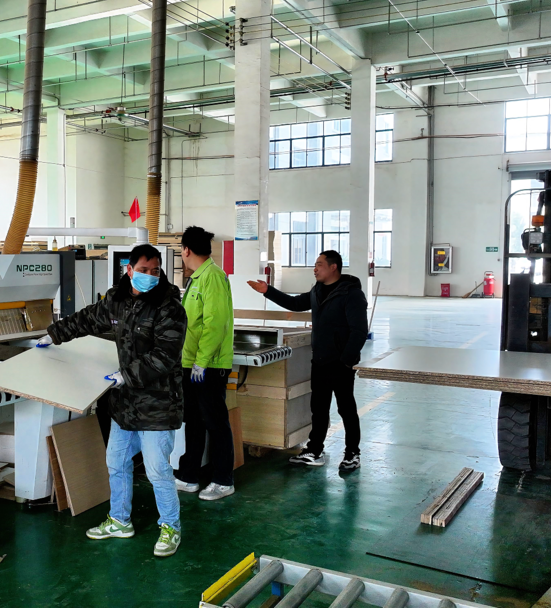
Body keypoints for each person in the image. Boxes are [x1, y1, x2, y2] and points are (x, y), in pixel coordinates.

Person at [36, 244, 187, 557]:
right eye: (143, 270)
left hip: (158, 405)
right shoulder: (117, 300)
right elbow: (87, 319)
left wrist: (125, 375)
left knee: (157, 470)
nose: (150, 276)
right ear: (129, 270)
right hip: (126, 405)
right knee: (116, 462)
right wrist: (54, 334)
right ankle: (119, 520)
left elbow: (165, 356)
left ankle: (171, 527)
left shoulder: (169, 308)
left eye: (155, 271)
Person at [247, 250, 368, 471]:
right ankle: (314, 450)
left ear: (333, 267)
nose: (315, 268)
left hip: (340, 364)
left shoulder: (351, 294)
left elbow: (359, 331)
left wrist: (346, 361)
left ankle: (352, 453)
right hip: (320, 360)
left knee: (346, 409)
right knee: (318, 409)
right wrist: (268, 291)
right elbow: (295, 303)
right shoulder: (317, 291)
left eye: (319, 264)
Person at [174, 226, 236, 501]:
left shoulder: (212, 277)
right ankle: (189, 476)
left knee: (215, 422)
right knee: (194, 421)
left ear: (186, 250)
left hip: (208, 366)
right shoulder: (196, 278)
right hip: (191, 363)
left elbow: (215, 323)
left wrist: (201, 362)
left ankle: (223, 480)